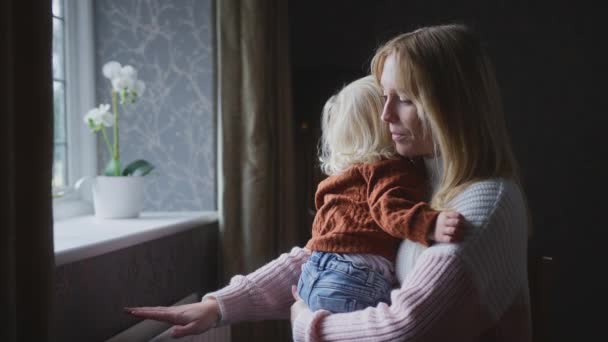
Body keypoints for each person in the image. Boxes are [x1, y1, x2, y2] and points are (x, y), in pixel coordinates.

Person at [126, 23, 531, 341]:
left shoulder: (481, 205)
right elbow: (339, 251)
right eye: (384, 96)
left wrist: (305, 324)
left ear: (452, 105)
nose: (385, 114)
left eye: (404, 99)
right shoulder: (423, 178)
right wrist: (218, 306)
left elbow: (404, 329)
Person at [294, 75, 463, 314]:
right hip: (353, 277)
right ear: (383, 127)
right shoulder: (390, 170)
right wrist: (430, 224)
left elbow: (322, 232)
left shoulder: (340, 180)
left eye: (403, 100)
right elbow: (390, 210)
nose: (390, 113)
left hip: (313, 272)